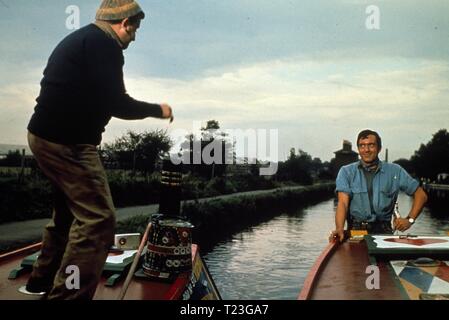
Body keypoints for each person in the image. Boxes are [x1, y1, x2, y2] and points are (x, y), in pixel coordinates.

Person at [25, 0, 173, 299]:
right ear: (125, 23)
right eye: (135, 29)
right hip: (70, 145)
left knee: (67, 215)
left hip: (42, 137)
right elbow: (117, 103)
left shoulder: (81, 39)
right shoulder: (105, 46)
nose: (135, 36)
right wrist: (159, 109)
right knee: (98, 221)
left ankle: (40, 280)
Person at [330, 130, 428, 242]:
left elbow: (421, 195)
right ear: (358, 149)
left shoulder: (395, 171)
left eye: (371, 145)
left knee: (382, 260)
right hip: (355, 231)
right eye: (362, 146)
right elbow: (343, 203)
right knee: (355, 258)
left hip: (384, 232)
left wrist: (409, 220)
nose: (366, 150)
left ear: (379, 148)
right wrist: (339, 228)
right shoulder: (346, 172)